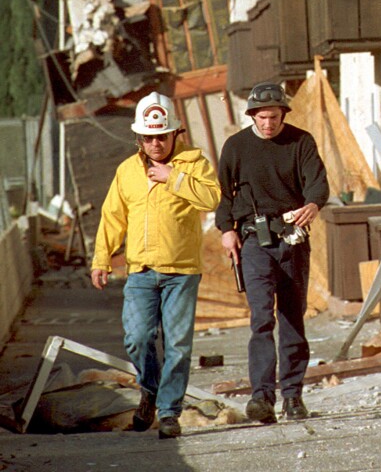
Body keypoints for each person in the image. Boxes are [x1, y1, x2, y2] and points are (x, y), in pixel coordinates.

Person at [90, 92, 221, 439]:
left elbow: (213, 198)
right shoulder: (127, 171)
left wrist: (173, 178)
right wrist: (101, 259)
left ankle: (168, 412)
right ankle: (150, 388)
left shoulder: (194, 163)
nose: (155, 143)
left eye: (161, 136)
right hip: (141, 272)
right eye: (148, 137)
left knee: (178, 344)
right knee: (137, 338)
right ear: (138, 138)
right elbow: (112, 217)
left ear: (175, 133)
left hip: (182, 271)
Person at [216, 81, 329, 424]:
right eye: (262, 117)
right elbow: (223, 195)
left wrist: (312, 204)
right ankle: (261, 397)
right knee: (261, 318)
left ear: (283, 114)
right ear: (251, 115)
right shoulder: (235, 147)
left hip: (291, 238)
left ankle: (292, 397)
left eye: (274, 116)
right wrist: (226, 231)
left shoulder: (300, 142)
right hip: (253, 241)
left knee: (293, 317)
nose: (268, 123)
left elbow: (317, 183)